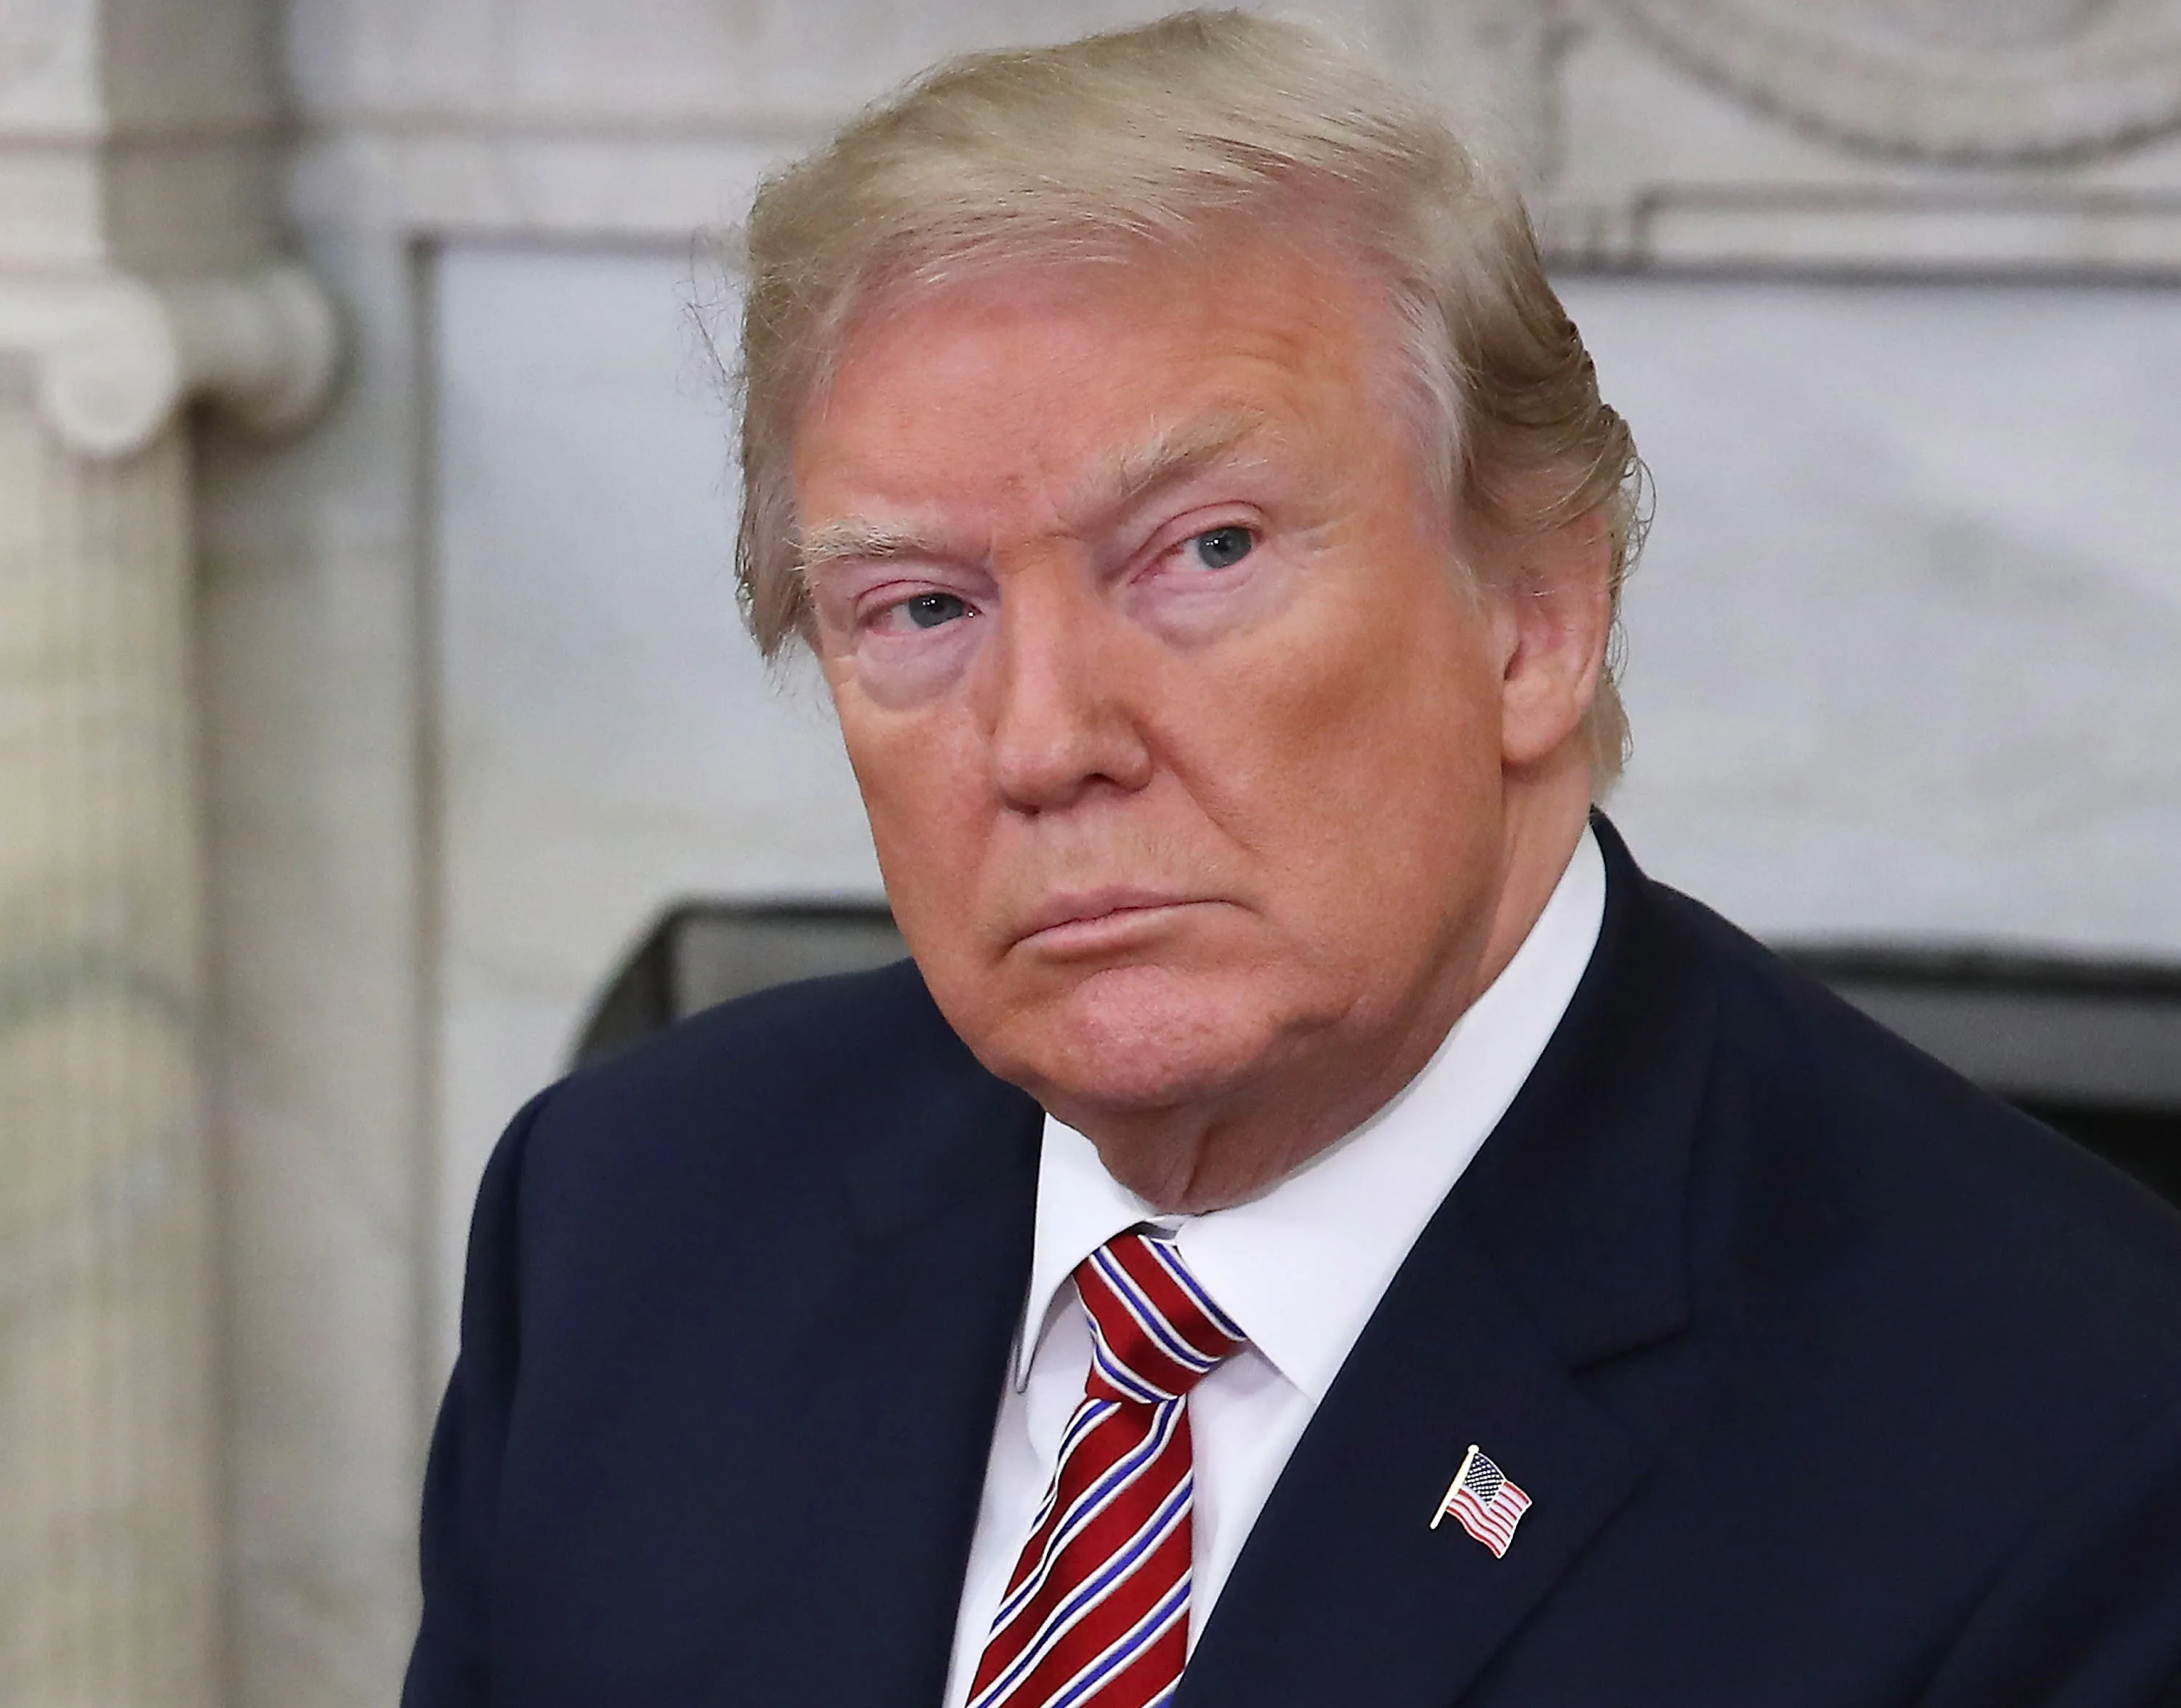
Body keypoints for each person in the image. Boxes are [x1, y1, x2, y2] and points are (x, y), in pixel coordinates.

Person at [403, 12, 2181, 1707]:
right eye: (922, 605)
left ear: (1536, 620)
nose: (1041, 741)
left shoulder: (2071, 1444)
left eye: (1204, 552)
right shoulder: (629, 1224)